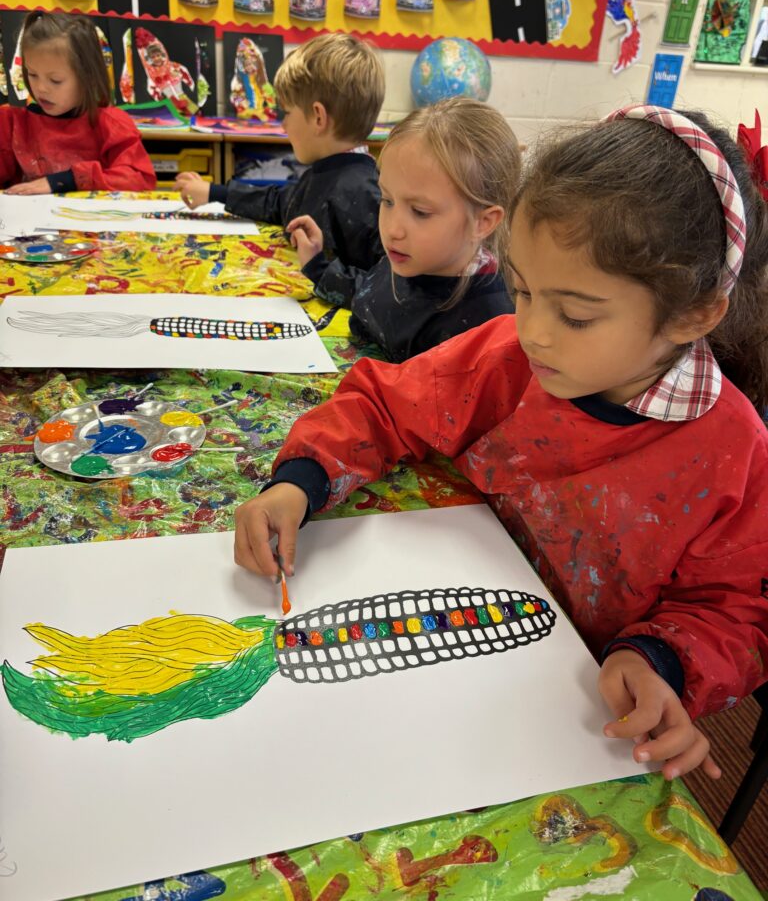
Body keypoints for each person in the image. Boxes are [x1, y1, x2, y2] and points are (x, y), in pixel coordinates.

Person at [234, 105, 768, 781]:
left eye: (574, 314)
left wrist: (659, 660)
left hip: (562, 716)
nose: (535, 331)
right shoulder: (509, 356)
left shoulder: (735, 453)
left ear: (693, 314)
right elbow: (385, 403)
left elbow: (735, 608)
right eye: (521, 291)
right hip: (441, 651)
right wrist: (299, 480)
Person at [287, 98, 518, 361]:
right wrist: (317, 264)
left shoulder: (486, 329)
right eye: (387, 201)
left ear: (483, 222)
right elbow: (370, 293)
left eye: (420, 212)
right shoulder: (413, 259)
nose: (392, 229)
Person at [175, 33, 385, 280]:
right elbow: (278, 202)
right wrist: (213, 192)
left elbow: (388, 291)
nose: (283, 126)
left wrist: (319, 270)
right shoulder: (326, 173)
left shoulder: (367, 197)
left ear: (318, 117)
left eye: (286, 113)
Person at [0, 12, 156, 194]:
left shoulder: (111, 125)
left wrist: (67, 180)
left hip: (92, 220)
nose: (41, 88)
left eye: (55, 80)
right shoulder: (13, 123)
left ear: (87, 77)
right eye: (33, 74)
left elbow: (140, 179)